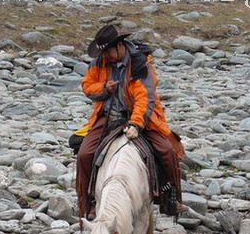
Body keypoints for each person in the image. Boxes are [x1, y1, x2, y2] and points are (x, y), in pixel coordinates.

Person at [76, 24, 185, 219]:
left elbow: (145, 98)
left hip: (142, 117)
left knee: (166, 151)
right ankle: (88, 201)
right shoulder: (99, 63)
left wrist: (135, 123)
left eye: (108, 51)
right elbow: (87, 86)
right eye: (104, 52)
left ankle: (171, 196)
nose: (106, 56)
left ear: (119, 46)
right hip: (108, 116)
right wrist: (104, 88)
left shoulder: (139, 63)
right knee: (84, 154)